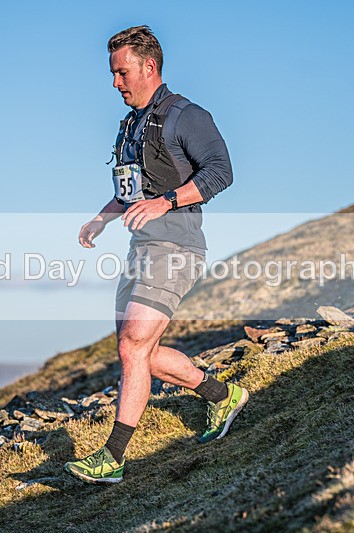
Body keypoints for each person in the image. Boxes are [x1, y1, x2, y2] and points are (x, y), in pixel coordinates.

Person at [64, 25, 247, 484]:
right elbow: (130, 192)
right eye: (112, 74)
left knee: (132, 346)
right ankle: (222, 396)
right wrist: (100, 218)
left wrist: (166, 202)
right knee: (136, 351)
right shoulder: (129, 124)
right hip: (139, 250)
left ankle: (112, 457)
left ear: (149, 67)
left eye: (121, 72)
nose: (114, 83)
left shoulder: (187, 115)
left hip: (177, 246)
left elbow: (221, 172)